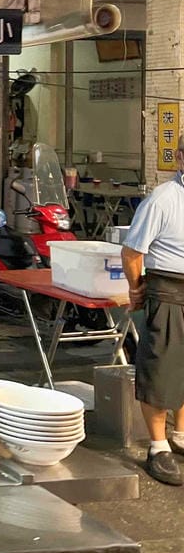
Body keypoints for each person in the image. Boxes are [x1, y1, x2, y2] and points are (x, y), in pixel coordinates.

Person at [122, 148, 184, 486]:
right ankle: (158, 447)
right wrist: (136, 290)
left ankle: (182, 436)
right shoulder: (162, 199)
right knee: (161, 367)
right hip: (169, 289)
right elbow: (132, 252)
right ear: (180, 158)